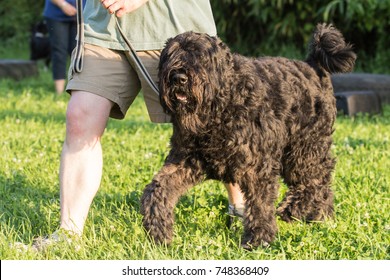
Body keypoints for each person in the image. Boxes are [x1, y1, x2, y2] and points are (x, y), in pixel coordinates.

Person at [39, 0, 245, 245]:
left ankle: (242, 209)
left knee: (214, 130)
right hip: (103, 28)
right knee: (79, 118)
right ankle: (68, 232)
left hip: (177, 30)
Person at [43, 0, 85, 94]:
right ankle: (59, 92)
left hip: (81, 15)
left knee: (78, 53)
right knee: (59, 52)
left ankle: (79, 90)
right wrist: (63, 4)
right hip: (56, 15)